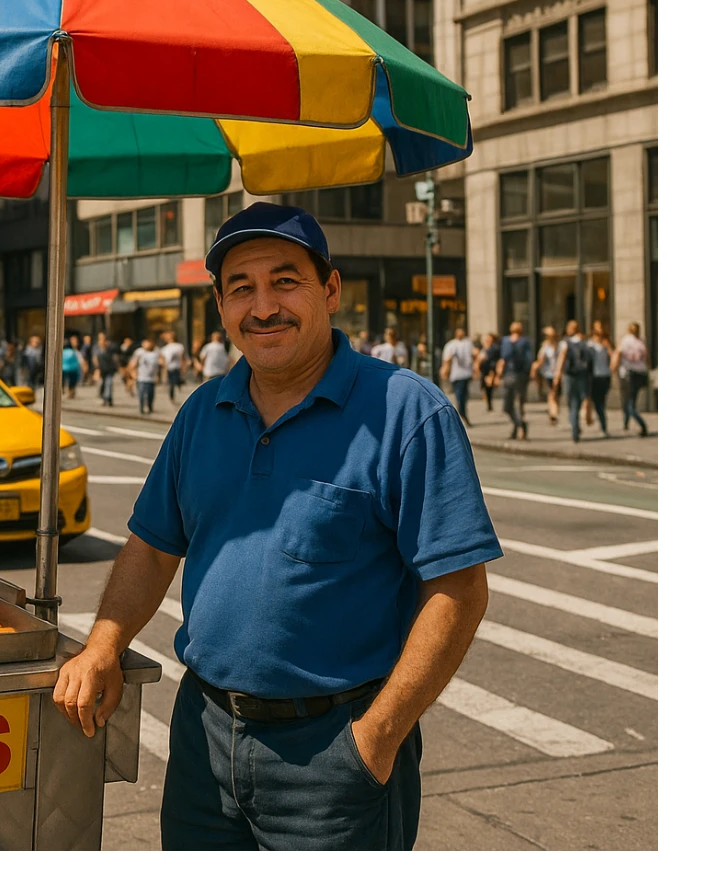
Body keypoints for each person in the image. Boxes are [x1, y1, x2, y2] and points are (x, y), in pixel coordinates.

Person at [53, 202, 498, 851]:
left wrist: (374, 742)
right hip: (203, 739)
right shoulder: (203, 412)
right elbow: (151, 550)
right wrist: (102, 643)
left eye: (285, 281)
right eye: (242, 289)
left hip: (336, 754)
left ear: (330, 289)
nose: (264, 306)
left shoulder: (407, 412)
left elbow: (458, 590)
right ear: (221, 306)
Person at [553, 320, 592, 443]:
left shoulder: (565, 343)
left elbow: (562, 357)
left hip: (570, 375)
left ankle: (575, 430)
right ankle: (577, 425)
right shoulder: (584, 342)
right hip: (583, 375)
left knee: (572, 403)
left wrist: (557, 374)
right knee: (580, 400)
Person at [496, 321, 535, 440]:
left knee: (508, 405)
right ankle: (519, 425)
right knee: (519, 403)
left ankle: (518, 425)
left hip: (510, 374)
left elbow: (503, 359)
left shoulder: (506, 341)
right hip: (521, 376)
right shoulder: (525, 341)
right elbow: (529, 359)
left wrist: (498, 374)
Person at [612, 322, 650, 437]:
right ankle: (627, 421)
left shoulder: (632, 341)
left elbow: (618, 353)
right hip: (634, 373)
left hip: (632, 373)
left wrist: (614, 368)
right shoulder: (635, 341)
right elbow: (646, 356)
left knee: (628, 400)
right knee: (630, 399)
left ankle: (639, 424)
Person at [440, 328, 476, 426]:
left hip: (466, 373)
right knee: (460, 396)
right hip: (457, 375)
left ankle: (462, 413)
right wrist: (445, 370)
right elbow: (447, 359)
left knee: (463, 396)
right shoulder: (452, 345)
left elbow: (474, 355)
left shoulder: (468, 343)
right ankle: (461, 414)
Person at [585, 321, 613, 438]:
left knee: (601, 403)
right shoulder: (589, 344)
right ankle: (599, 424)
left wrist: (608, 348)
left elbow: (613, 356)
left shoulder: (606, 344)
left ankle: (602, 426)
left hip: (605, 375)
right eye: (597, 329)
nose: (600, 331)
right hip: (594, 376)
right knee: (596, 402)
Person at [532, 326, 560, 425]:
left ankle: (553, 410)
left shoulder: (560, 345)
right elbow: (541, 360)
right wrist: (535, 369)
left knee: (555, 394)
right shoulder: (545, 347)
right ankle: (553, 412)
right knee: (552, 393)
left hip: (558, 373)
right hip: (548, 373)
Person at [129, 338, 161, 415]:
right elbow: (133, 364)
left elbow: (161, 363)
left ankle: (150, 407)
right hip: (141, 377)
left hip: (151, 378)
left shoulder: (156, 352)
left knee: (150, 394)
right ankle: (141, 408)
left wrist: (159, 375)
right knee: (141, 393)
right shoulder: (139, 352)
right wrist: (133, 374)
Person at [477, 333, 501, 413]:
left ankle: (489, 403)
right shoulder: (484, 347)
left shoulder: (494, 348)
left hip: (490, 369)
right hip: (484, 369)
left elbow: (493, 359)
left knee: (489, 387)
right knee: (484, 386)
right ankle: (488, 403)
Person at [160, 330, 187, 403]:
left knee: (175, 382)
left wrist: (183, 367)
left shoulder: (179, 346)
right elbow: (162, 360)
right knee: (171, 383)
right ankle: (171, 396)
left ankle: (175, 393)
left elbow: (182, 358)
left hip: (177, 367)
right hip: (169, 368)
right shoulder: (165, 348)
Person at [94, 333, 118, 407]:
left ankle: (108, 399)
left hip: (109, 370)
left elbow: (115, 358)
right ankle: (105, 399)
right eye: (100, 339)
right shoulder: (97, 348)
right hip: (102, 370)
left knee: (109, 383)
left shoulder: (110, 348)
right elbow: (95, 359)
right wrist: (97, 369)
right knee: (103, 384)